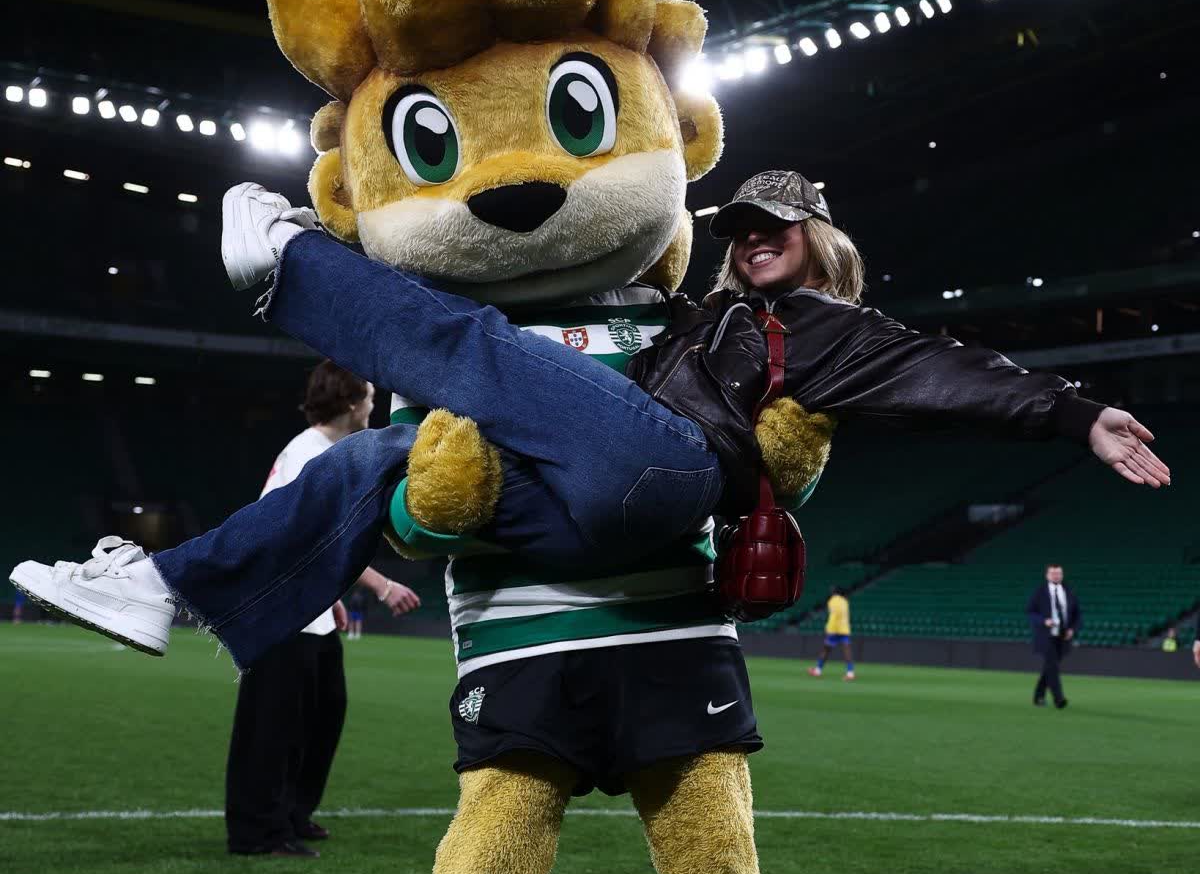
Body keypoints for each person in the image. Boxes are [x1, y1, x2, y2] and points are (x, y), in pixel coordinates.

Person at [10, 176, 1171, 672]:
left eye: (779, 225)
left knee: (477, 353)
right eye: (742, 226)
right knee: (378, 454)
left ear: (822, 243)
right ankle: (165, 587)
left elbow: (938, 369)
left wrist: (1076, 416)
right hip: (587, 509)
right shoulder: (706, 317)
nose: (755, 238)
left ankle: (291, 267)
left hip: (667, 477)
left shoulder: (821, 325)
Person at [225, 362, 420, 859]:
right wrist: (381, 586)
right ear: (352, 404)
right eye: (369, 397)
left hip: (305, 609)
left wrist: (328, 597)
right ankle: (256, 832)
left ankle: (291, 815)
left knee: (323, 712)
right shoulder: (308, 454)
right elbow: (306, 538)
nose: (373, 407)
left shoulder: (324, 452)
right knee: (271, 725)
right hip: (278, 611)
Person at [1026, 563, 1080, 710]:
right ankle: (1059, 698)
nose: (1056, 576)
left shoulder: (1068, 591)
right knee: (1053, 667)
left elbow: (1077, 613)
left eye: (1059, 573)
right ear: (1047, 575)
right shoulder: (1040, 592)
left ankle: (1039, 696)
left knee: (1049, 667)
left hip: (1062, 636)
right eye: (1053, 573)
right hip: (1046, 636)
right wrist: (1044, 621)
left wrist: (1072, 629)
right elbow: (1030, 612)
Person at [809, 586, 855, 681]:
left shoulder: (832, 601)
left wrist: (829, 628)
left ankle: (818, 670)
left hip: (834, 630)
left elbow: (834, 615)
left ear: (834, 592)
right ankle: (850, 673)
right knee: (847, 650)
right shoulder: (845, 601)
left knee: (826, 650)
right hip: (844, 629)